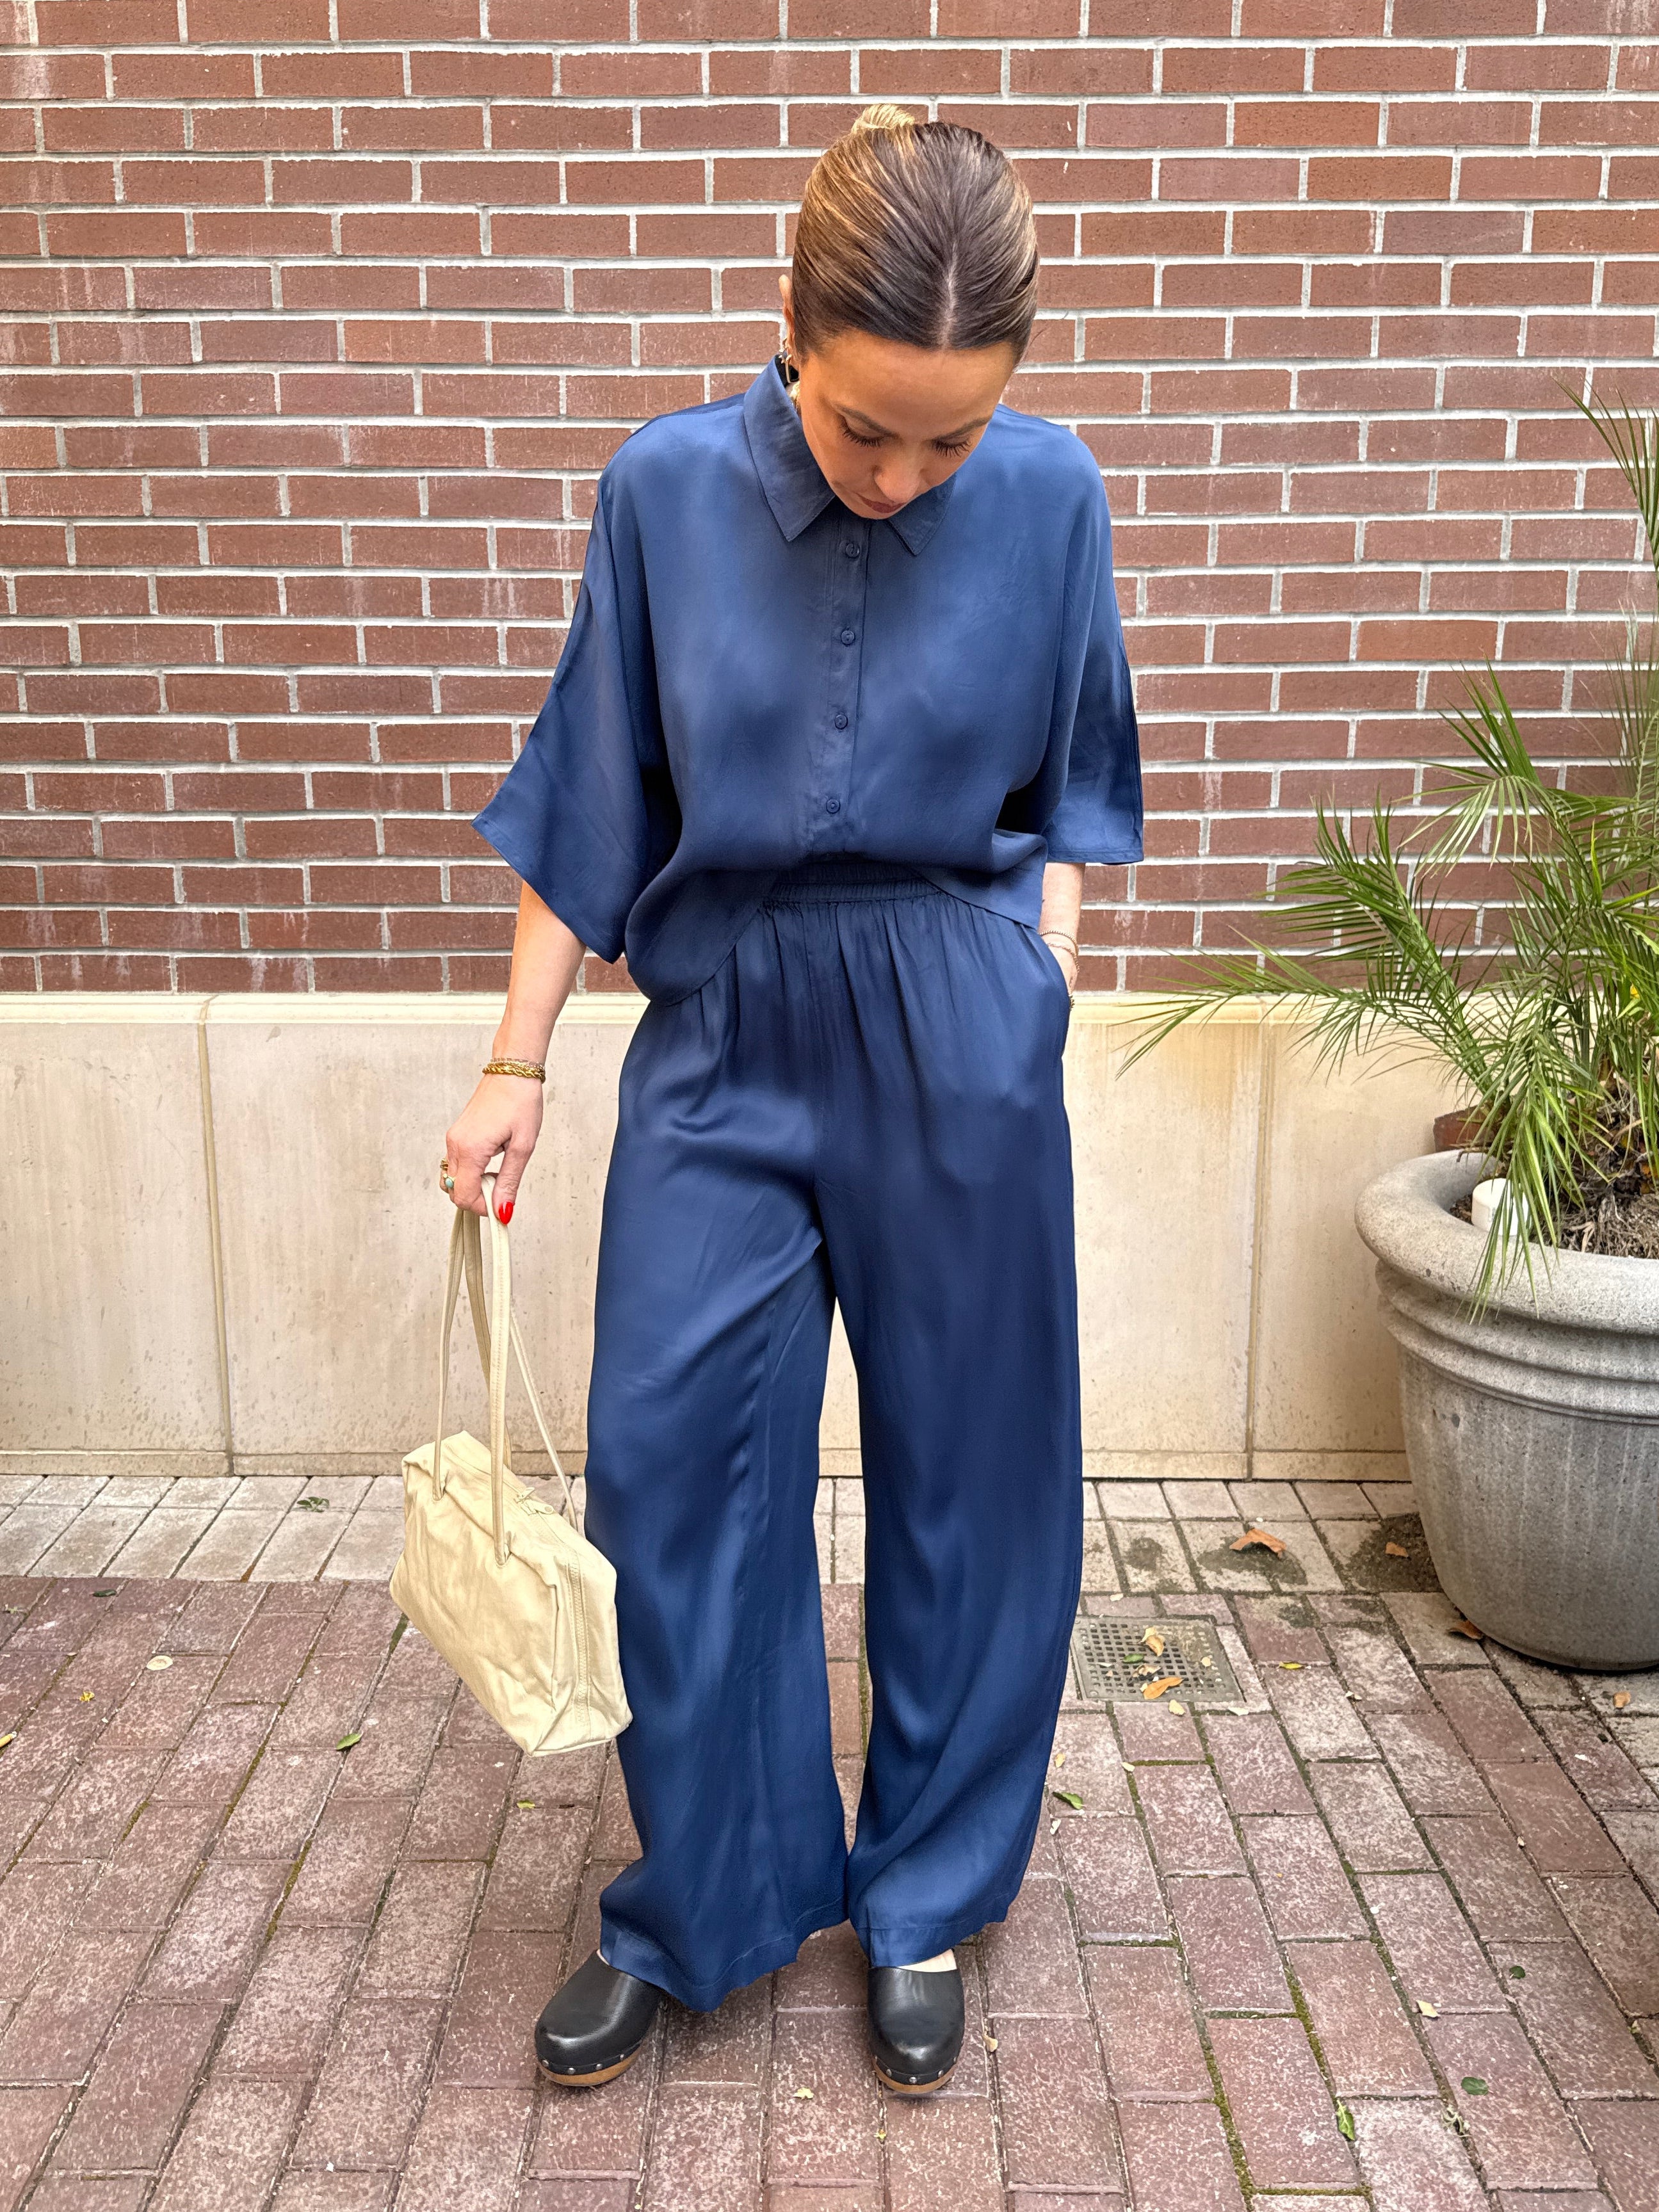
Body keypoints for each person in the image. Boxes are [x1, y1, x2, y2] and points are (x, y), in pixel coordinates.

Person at [441, 102, 1142, 2096]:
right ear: (786, 330)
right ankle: (712, 1896)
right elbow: (593, 795)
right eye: (865, 428)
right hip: (727, 1021)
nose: (910, 473)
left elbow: (1076, 778)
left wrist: (1037, 980)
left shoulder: (1057, 499)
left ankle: (923, 1889)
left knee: (975, 1473)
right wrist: (516, 1064)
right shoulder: (661, 493)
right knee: (669, 1468)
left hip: (954, 1008)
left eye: (954, 436)